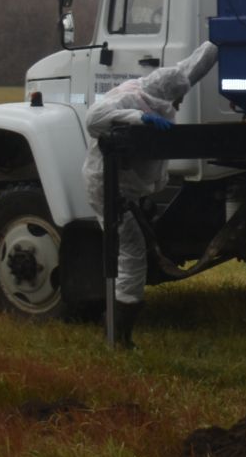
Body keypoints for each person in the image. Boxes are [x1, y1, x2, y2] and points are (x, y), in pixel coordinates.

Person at [82, 42, 220, 347]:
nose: (180, 103)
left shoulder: (159, 87)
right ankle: (118, 331)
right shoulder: (132, 99)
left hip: (127, 188)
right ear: (158, 100)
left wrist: (218, 41)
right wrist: (137, 119)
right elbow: (93, 119)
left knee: (133, 250)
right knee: (131, 254)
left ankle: (117, 325)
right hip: (108, 186)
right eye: (177, 99)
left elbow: (190, 68)